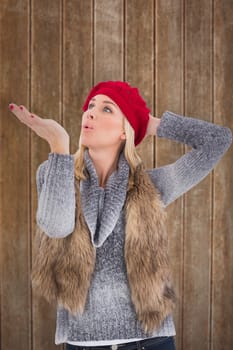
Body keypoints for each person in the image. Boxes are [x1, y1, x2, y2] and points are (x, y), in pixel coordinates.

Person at [9, 81, 232, 350]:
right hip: (83, 343)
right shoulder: (55, 171)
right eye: (90, 106)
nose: (90, 112)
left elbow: (218, 140)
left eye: (106, 109)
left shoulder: (152, 186)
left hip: (151, 341)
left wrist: (151, 123)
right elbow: (56, 227)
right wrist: (58, 145)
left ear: (125, 131)